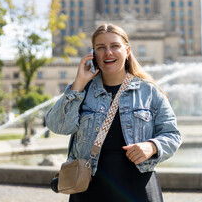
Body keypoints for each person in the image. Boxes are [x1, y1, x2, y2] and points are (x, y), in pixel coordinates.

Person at [45, 23, 182, 202]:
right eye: (100, 48)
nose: (108, 52)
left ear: (127, 51)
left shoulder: (149, 91)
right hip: (89, 187)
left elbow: (172, 134)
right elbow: (58, 126)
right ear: (93, 55)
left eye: (115, 46)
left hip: (138, 188)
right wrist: (78, 83)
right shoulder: (83, 92)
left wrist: (152, 146)